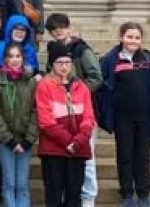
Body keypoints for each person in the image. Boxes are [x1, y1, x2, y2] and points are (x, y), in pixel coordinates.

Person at [96, 22, 150, 207]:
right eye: (129, 36)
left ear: (141, 40)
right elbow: (101, 88)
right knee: (125, 156)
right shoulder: (110, 60)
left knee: (142, 156)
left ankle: (143, 193)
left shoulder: (149, 60)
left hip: (145, 118)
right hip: (123, 118)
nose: (133, 41)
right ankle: (127, 193)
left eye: (137, 37)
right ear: (122, 37)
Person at [46, 13, 104, 207]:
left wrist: (76, 91)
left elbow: (96, 77)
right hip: (61, 116)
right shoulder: (54, 51)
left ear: (68, 27)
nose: (58, 32)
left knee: (87, 162)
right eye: (54, 30)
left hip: (82, 113)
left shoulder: (81, 50)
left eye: (61, 28)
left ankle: (88, 200)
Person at [36, 42, 95, 207]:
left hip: (78, 149)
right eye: (59, 63)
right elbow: (46, 121)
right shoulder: (45, 85)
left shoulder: (81, 87)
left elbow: (88, 118)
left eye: (67, 62)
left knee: (74, 195)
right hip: (54, 150)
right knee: (54, 195)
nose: (64, 66)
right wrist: (68, 141)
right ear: (52, 64)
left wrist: (78, 141)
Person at [0, 42, 37, 207]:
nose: (15, 60)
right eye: (11, 56)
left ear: (23, 58)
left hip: (25, 140)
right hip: (5, 141)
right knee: (8, 183)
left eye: (18, 56)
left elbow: (35, 111)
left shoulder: (30, 81)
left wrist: (28, 139)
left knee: (22, 184)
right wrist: (9, 140)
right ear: (5, 59)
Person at [0, 14, 39, 80]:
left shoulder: (30, 50)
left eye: (23, 30)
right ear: (10, 30)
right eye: (16, 28)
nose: (19, 32)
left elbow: (35, 71)